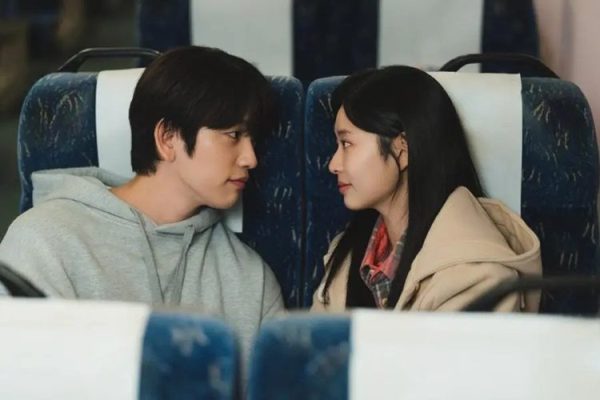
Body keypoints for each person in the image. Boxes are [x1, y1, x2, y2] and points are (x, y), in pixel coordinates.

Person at [0, 46, 284, 354]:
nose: (251, 158)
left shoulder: (252, 280)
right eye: (233, 135)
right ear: (168, 138)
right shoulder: (43, 241)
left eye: (253, 139)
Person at [311, 66, 542, 312]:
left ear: (402, 149)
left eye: (347, 143)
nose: (333, 165)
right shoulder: (347, 255)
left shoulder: (478, 278)